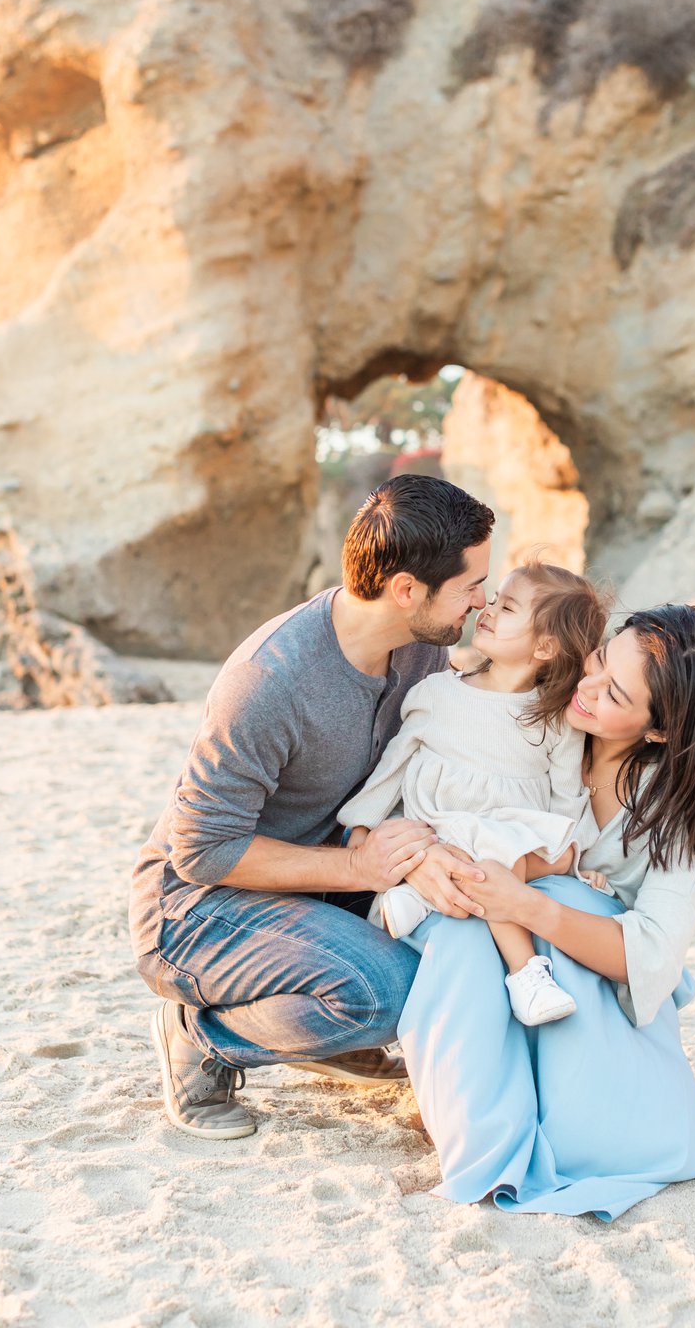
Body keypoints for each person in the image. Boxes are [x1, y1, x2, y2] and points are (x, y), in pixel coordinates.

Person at [128, 474, 495, 1140]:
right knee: (387, 992)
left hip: (320, 878)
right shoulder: (270, 683)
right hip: (194, 908)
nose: (482, 600)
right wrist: (362, 867)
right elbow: (203, 851)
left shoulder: (420, 647)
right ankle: (203, 1034)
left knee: (469, 922)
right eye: (472, 585)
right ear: (407, 590)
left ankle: (322, 1026)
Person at [395, 603, 695, 1220]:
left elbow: (651, 955)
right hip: (466, 930)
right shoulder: (521, 719)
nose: (586, 689)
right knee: (463, 926)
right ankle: (481, 1123)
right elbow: (427, 793)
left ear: (658, 730)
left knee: (564, 898)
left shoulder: (674, 815)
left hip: (587, 985)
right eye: (599, 661)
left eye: (614, 693)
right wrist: (421, 858)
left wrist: (530, 903)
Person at [339, 563, 608, 1025]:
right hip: (440, 823)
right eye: (494, 597)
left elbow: (569, 795)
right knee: (480, 852)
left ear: (544, 646)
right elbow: (395, 763)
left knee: (498, 854)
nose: (486, 608)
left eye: (507, 607)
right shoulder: (438, 692)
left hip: (509, 838)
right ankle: (525, 972)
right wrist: (361, 828)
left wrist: (579, 859)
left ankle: (492, 952)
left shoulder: (553, 719)